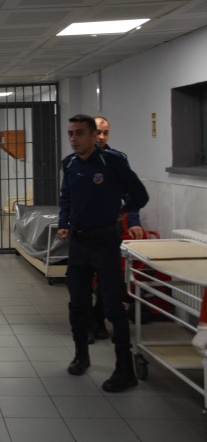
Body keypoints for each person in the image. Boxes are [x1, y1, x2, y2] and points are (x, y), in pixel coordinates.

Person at [58, 114, 149, 393]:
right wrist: (63, 223)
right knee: (77, 302)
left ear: (92, 135)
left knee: (112, 304)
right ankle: (81, 355)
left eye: (79, 133)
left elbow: (140, 195)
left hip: (105, 241)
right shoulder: (69, 164)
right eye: (71, 133)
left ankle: (124, 368)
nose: (73, 139)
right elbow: (66, 197)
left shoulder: (112, 162)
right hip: (78, 242)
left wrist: (123, 211)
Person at [89, 116, 146, 342]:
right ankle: (88, 322)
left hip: (108, 228)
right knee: (82, 280)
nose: (101, 137)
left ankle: (98, 317)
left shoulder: (117, 160)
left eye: (106, 132)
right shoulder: (76, 161)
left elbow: (130, 193)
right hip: (83, 229)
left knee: (107, 277)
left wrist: (133, 221)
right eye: (98, 132)